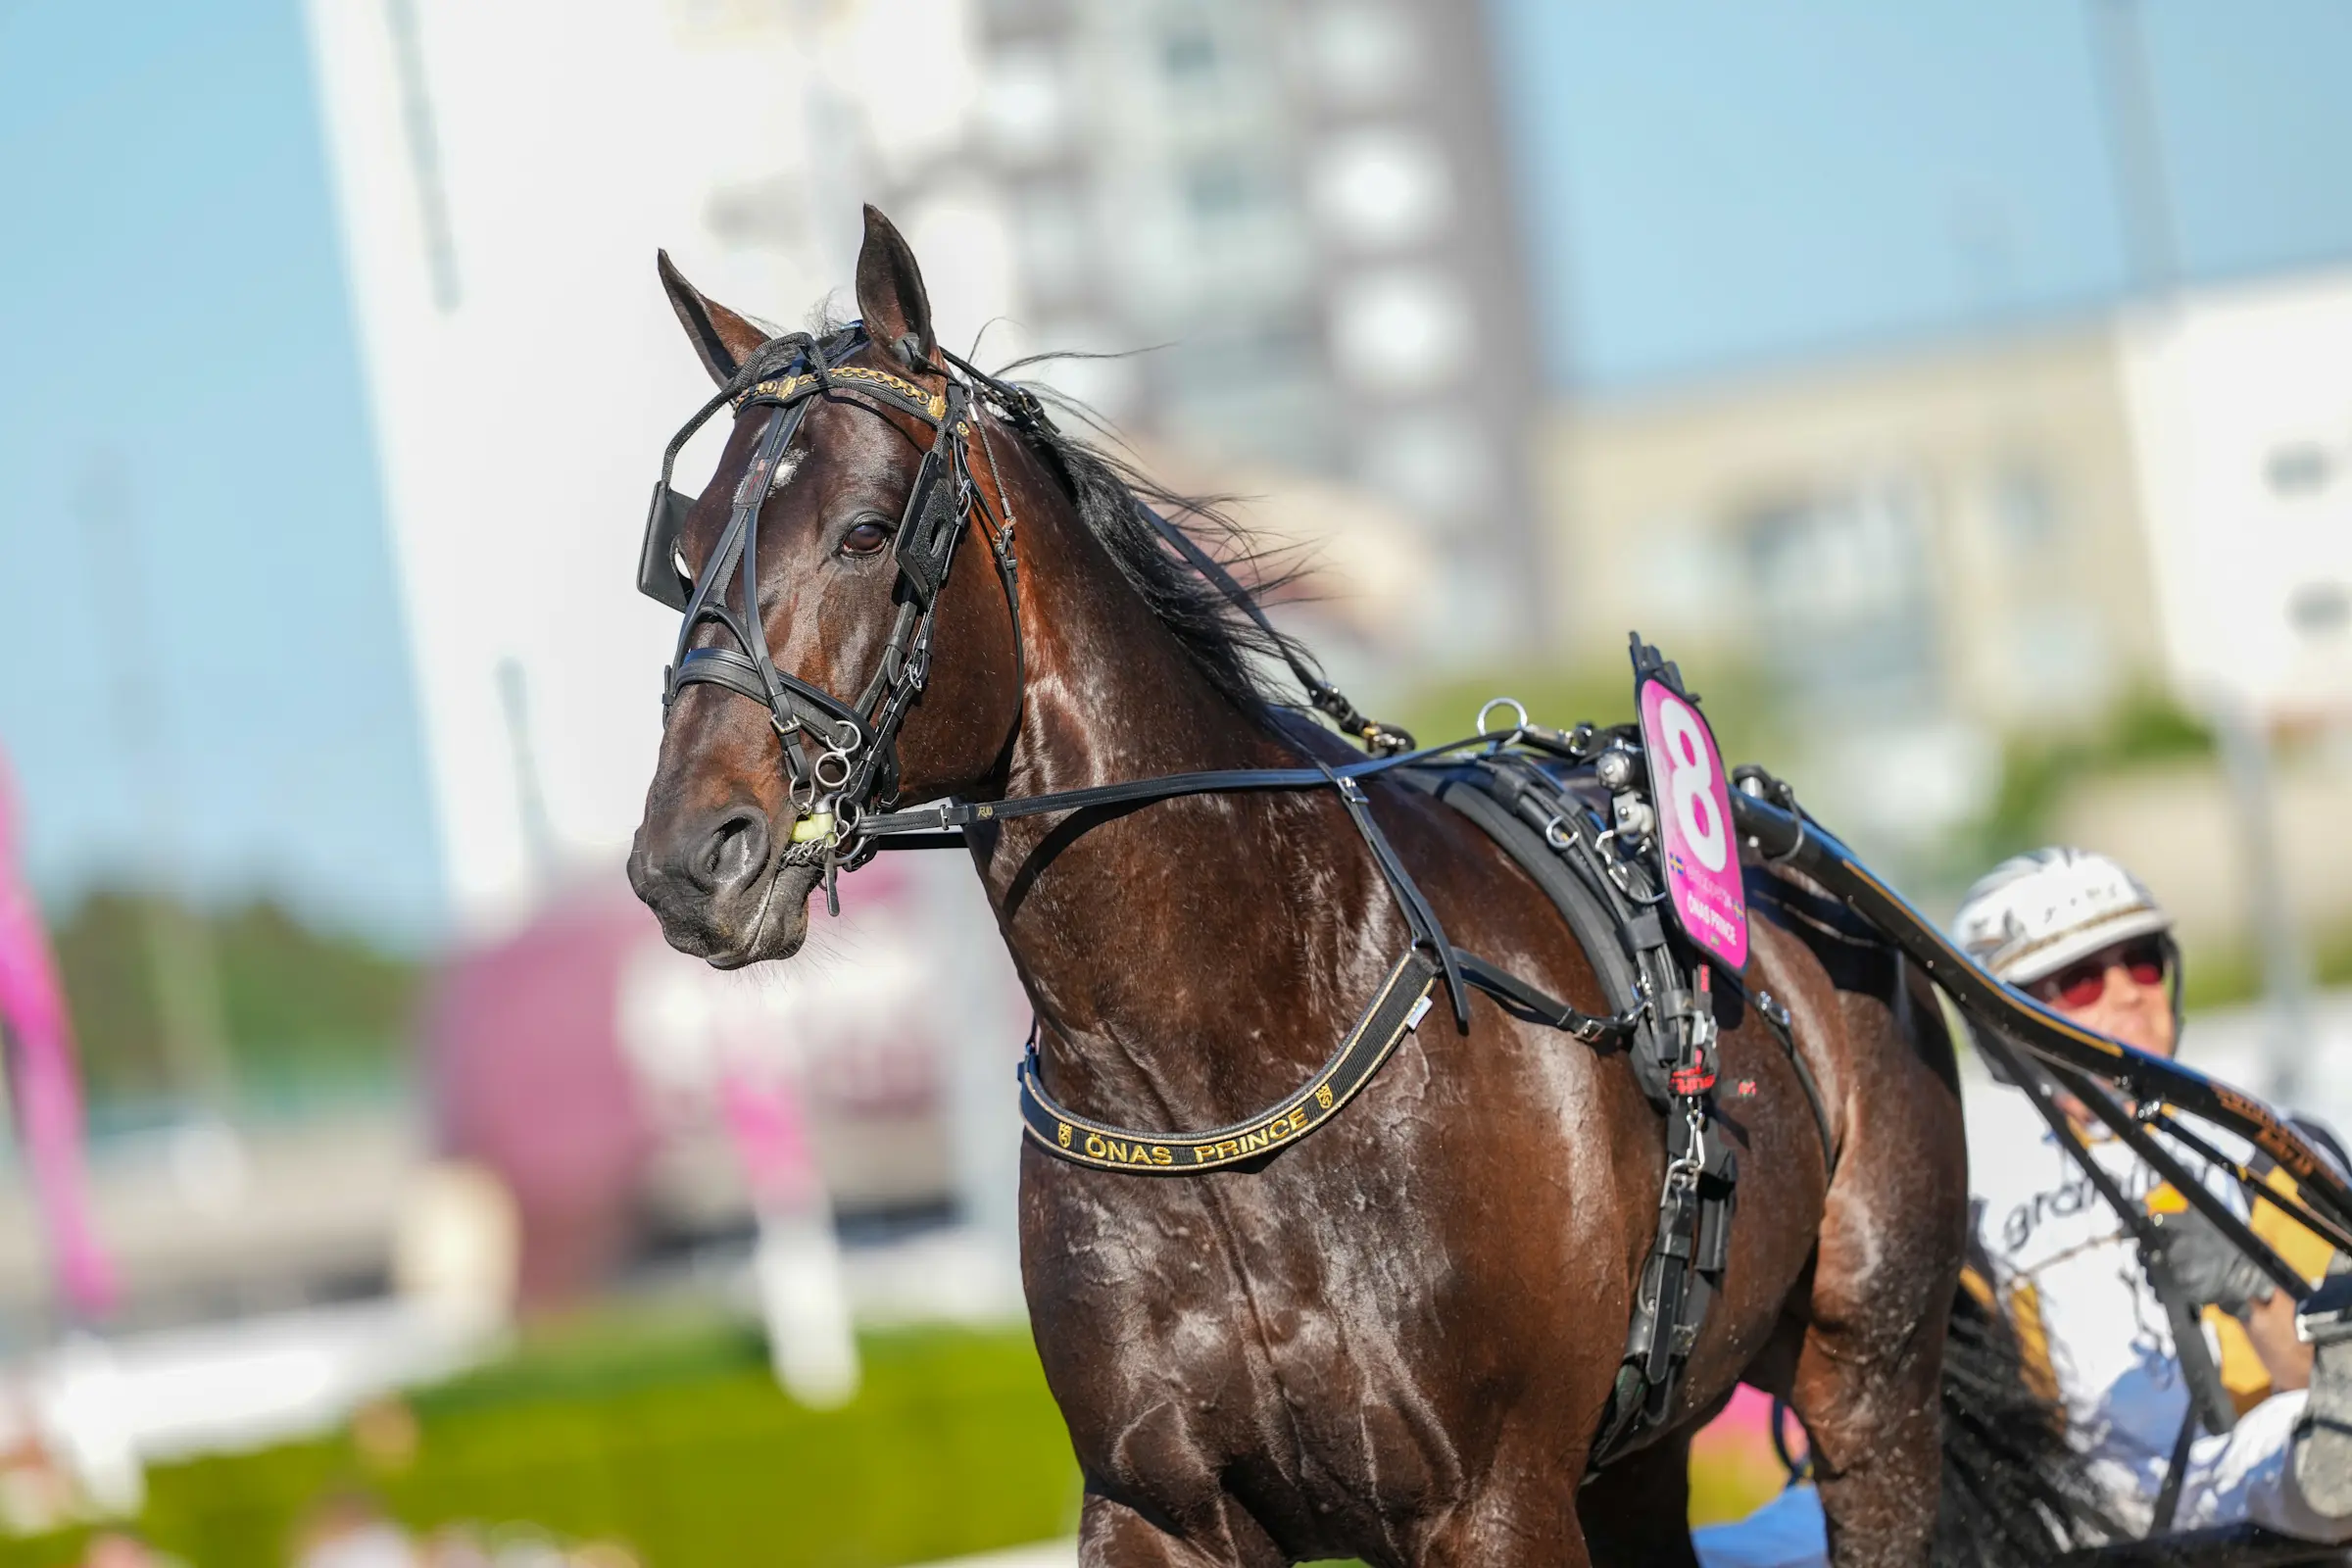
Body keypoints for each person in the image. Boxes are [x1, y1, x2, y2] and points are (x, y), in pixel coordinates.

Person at [1696, 846, 2352, 1565]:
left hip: (2238, 1465)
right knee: (1737, 1544)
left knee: (2302, 1436)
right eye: (2077, 980)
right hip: (2048, 1500)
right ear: (2003, 1024)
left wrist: (2252, 1292)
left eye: (2141, 961)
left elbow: (2315, 1374)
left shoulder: (2268, 1155)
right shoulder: (1959, 1182)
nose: (2128, 992)